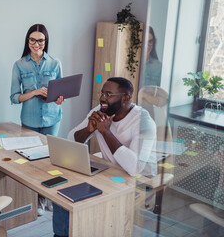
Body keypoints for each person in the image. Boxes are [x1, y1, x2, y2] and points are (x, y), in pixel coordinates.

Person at [52, 77, 157, 237]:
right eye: (102, 93)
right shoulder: (102, 111)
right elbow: (70, 139)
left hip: (137, 180)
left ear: (126, 98)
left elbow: (135, 168)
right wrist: (89, 129)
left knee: (85, 201)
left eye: (108, 94)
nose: (102, 98)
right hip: (109, 171)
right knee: (63, 191)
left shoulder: (143, 121)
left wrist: (106, 132)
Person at [10, 23, 64, 215]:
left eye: (40, 40)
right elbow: (14, 97)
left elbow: (61, 96)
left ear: (45, 41)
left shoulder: (55, 63)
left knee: (50, 161)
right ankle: (37, 200)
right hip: (30, 120)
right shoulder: (19, 65)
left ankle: (48, 198)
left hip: (52, 119)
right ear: (28, 41)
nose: (36, 44)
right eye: (32, 40)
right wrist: (34, 92)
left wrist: (59, 99)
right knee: (33, 161)